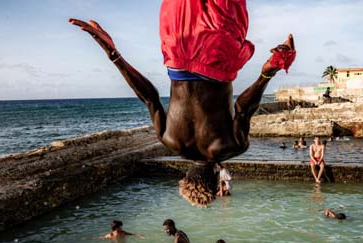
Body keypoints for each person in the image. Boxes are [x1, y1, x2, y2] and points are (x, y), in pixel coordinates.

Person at [69, 2, 296, 206]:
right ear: (186, 174)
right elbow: (149, 96)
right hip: (178, 49)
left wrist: (268, 73)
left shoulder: (232, 146)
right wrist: (113, 54)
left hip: (217, 56)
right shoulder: (168, 139)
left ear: (217, 177)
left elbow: (244, 108)